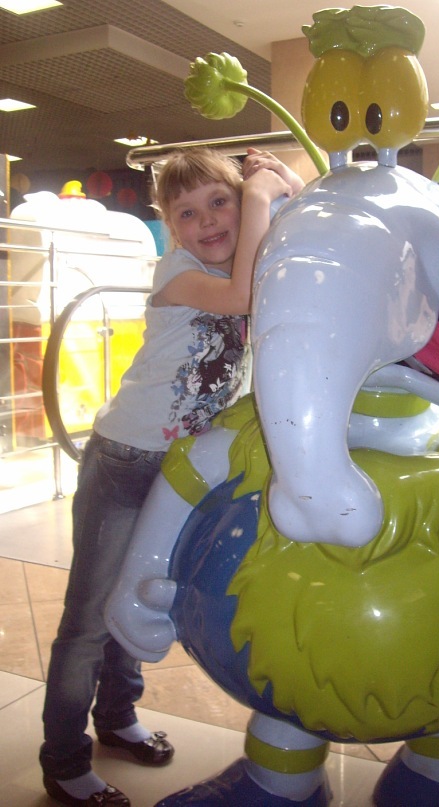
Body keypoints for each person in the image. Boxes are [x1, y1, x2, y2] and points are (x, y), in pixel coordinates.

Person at [40, 146, 304, 807]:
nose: (207, 220)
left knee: (137, 593)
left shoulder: (250, 261)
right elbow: (240, 297)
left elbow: (300, 220)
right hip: (125, 460)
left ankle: (116, 715)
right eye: (187, 213)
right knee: (88, 619)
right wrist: (254, 195)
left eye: (219, 202)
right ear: (172, 229)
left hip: (180, 469)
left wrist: (279, 179)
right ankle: (63, 759)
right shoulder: (180, 271)